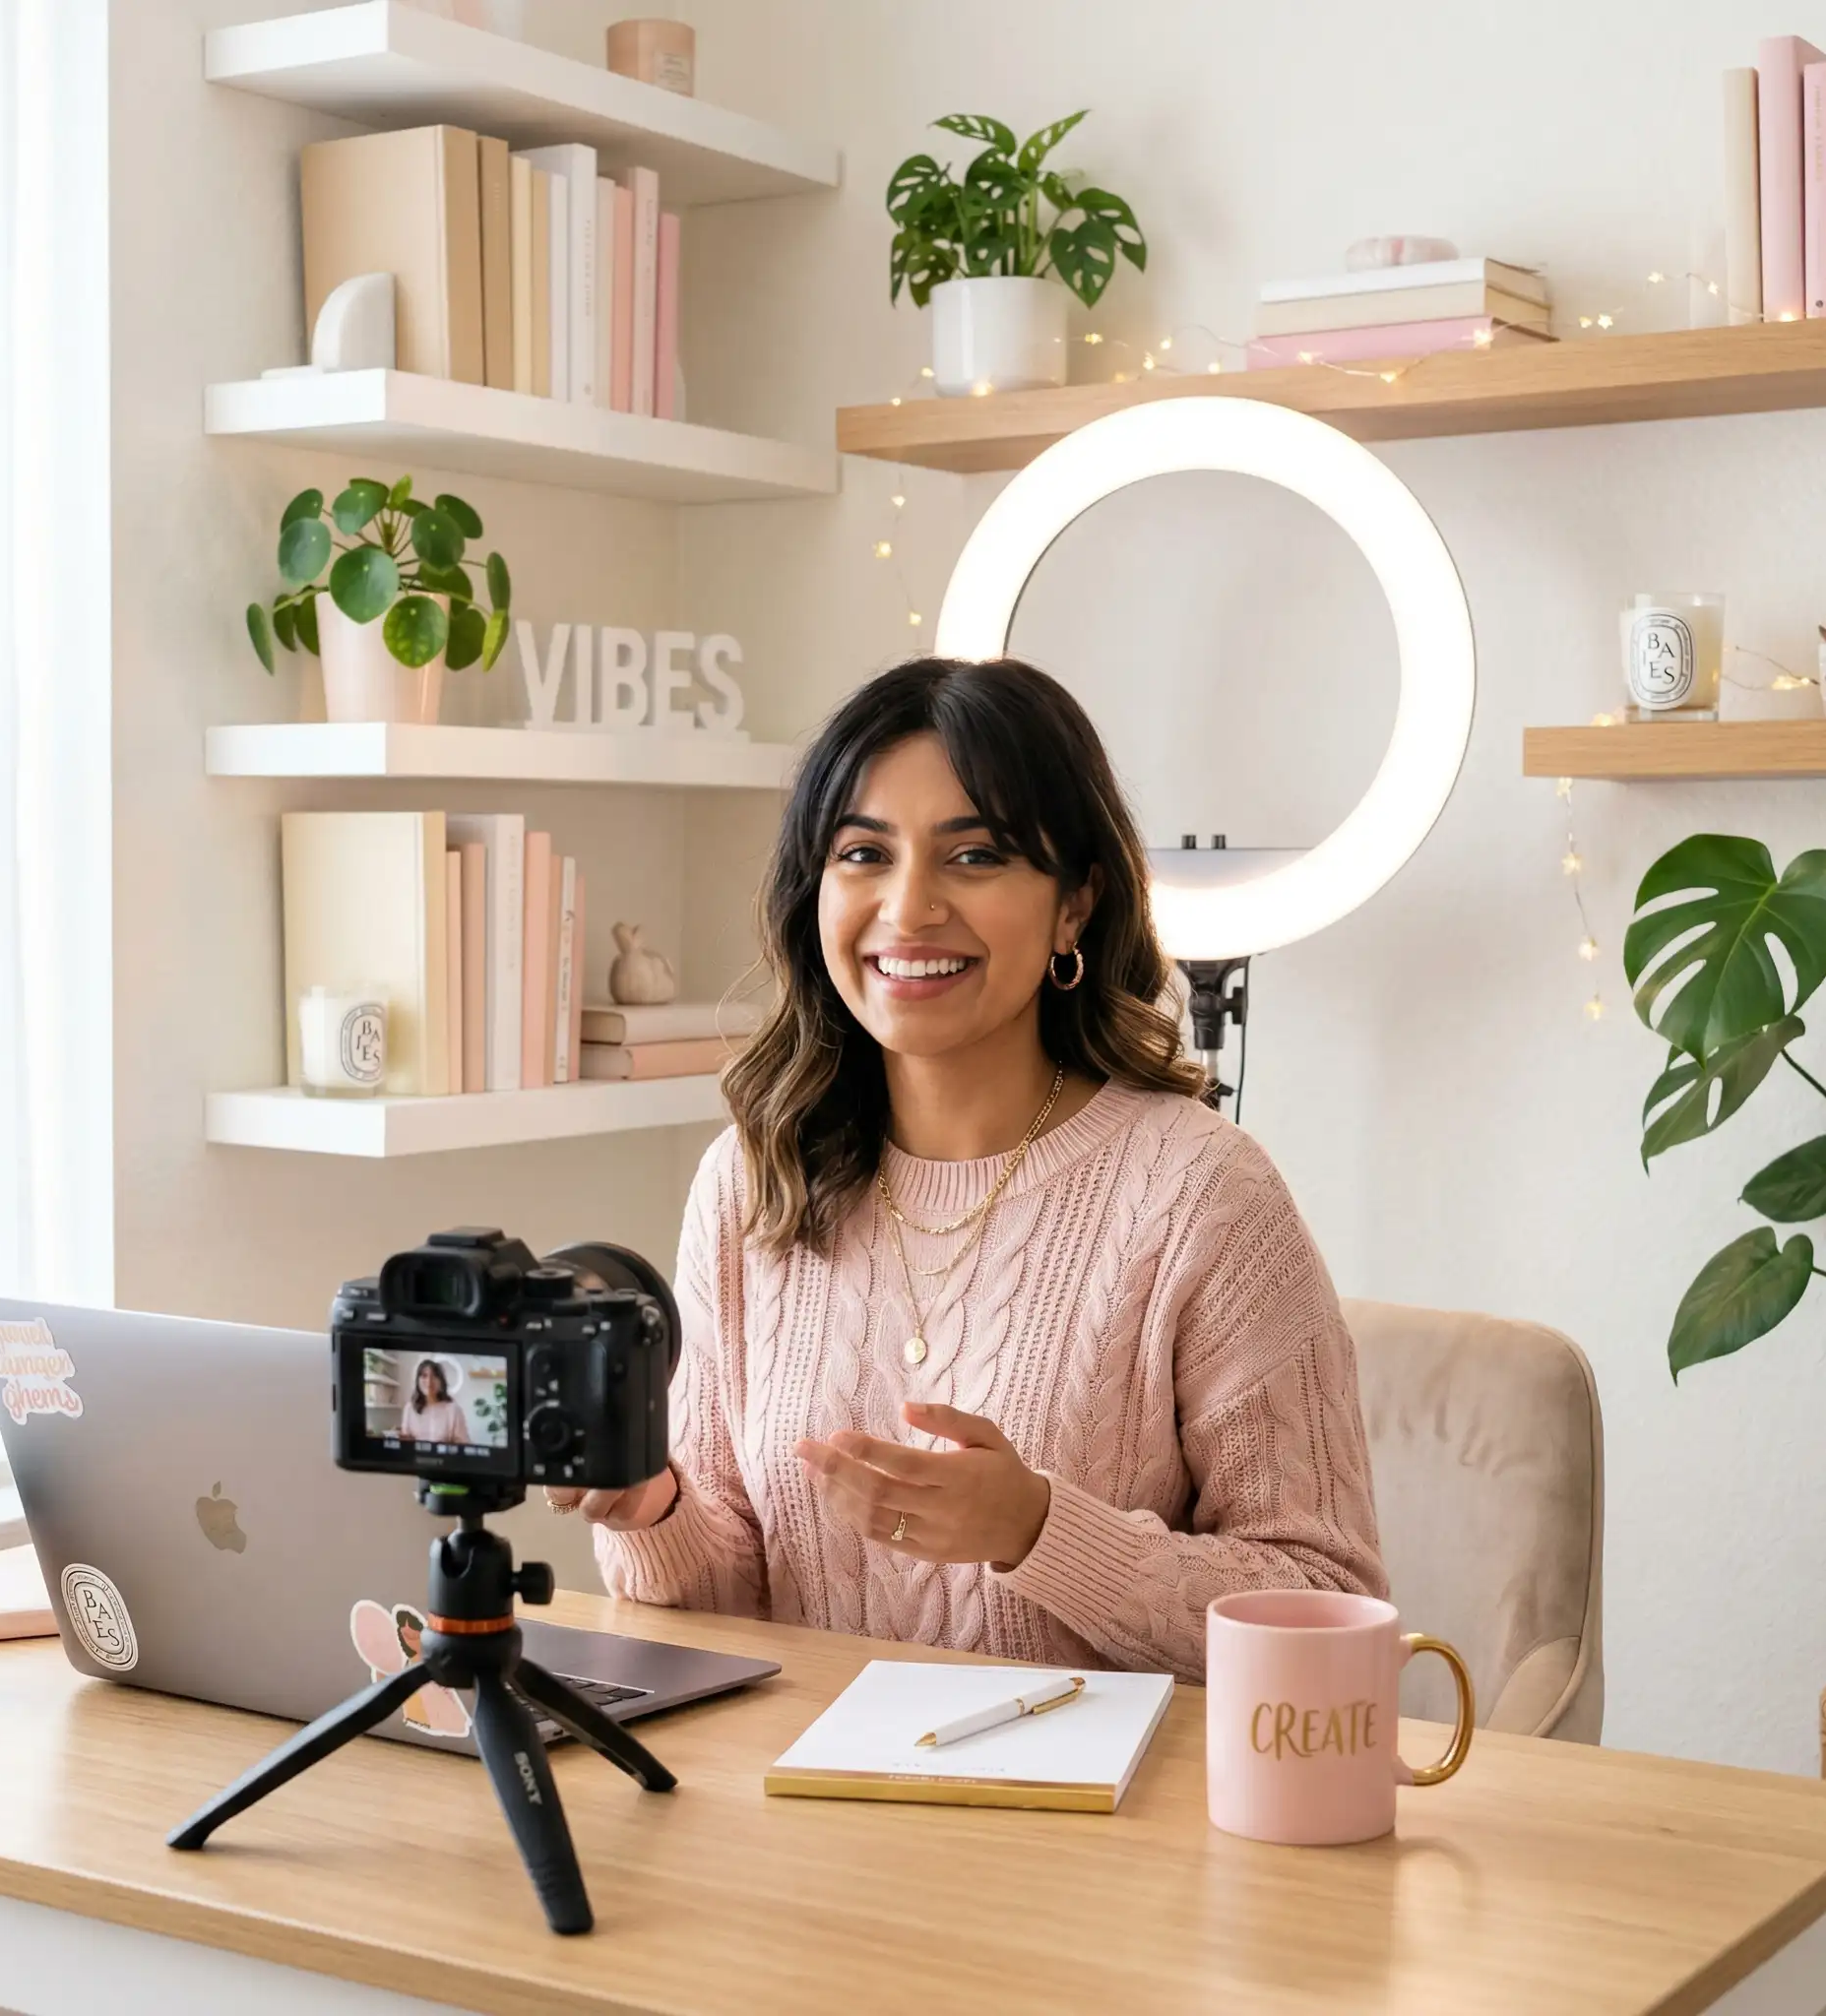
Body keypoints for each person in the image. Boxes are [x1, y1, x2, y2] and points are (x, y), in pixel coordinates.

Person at [550, 658, 1385, 1681]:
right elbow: (733, 1612)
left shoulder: (1201, 1193)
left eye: (975, 855)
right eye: (864, 853)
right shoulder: (752, 1177)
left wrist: (1041, 1530)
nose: (908, 910)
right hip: (797, 1777)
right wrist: (652, 1507)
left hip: (1101, 1784)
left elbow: (1328, 1606)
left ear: (1075, 904)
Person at [397, 1357, 473, 1444]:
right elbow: (405, 1441)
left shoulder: (454, 1409)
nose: (429, 1381)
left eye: (434, 1376)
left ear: (441, 1382)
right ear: (418, 1381)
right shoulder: (409, 1408)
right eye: (424, 1376)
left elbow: (463, 1444)